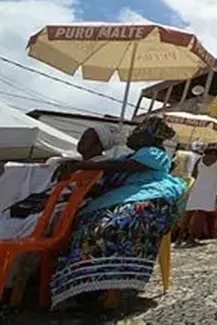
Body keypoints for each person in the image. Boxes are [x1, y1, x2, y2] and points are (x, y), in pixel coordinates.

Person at [49, 117, 186, 309]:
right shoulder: (127, 157)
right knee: (81, 224)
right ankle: (85, 284)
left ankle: (106, 284)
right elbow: (110, 176)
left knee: (114, 225)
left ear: (150, 137)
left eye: (138, 132)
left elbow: (126, 167)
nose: (131, 134)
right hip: (120, 198)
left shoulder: (154, 153)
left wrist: (82, 165)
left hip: (150, 198)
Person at [0, 125, 117, 241]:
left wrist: (56, 199)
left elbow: (91, 190)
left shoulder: (100, 165)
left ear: (97, 146)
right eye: (82, 138)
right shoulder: (73, 162)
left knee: (25, 223)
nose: (80, 142)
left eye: (86, 139)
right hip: (54, 200)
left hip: (66, 206)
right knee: (10, 212)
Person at [182, 142, 217, 246]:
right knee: (201, 215)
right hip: (209, 189)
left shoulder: (200, 159)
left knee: (189, 213)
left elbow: (193, 174)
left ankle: (180, 237)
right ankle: (192, 238)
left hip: (197, 187)